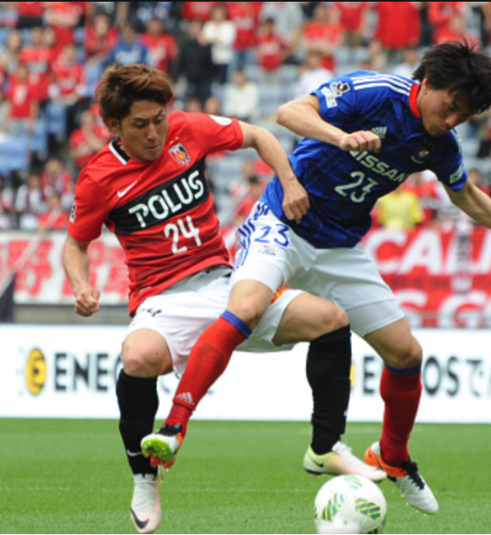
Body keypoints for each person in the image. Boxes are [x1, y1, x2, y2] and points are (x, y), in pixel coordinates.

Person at [144, 42, 491, 516]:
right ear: (427, 84)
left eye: (462, 117)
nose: (451, 121)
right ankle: (174, 427)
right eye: (450, 107)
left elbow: (464, 194)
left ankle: (394, 455)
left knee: (407, 353)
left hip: (340, 247)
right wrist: (340, 137)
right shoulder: (373, 92)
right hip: (284, 222)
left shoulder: (438, 143)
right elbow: (289, 112)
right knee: (244, 308)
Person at [62, 64, 383, 534]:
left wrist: (290, 183)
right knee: (138, 358)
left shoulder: (187, 130)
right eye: (140, 124)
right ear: (113, 126)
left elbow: (261, 136)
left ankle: (325, 446)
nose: (154, 133)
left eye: (159, 119)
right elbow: (75, 243)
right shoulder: (98, 179)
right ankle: (144, 478)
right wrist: (81, 286)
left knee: (331, 318)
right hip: (163, 297)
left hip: (227, 282)